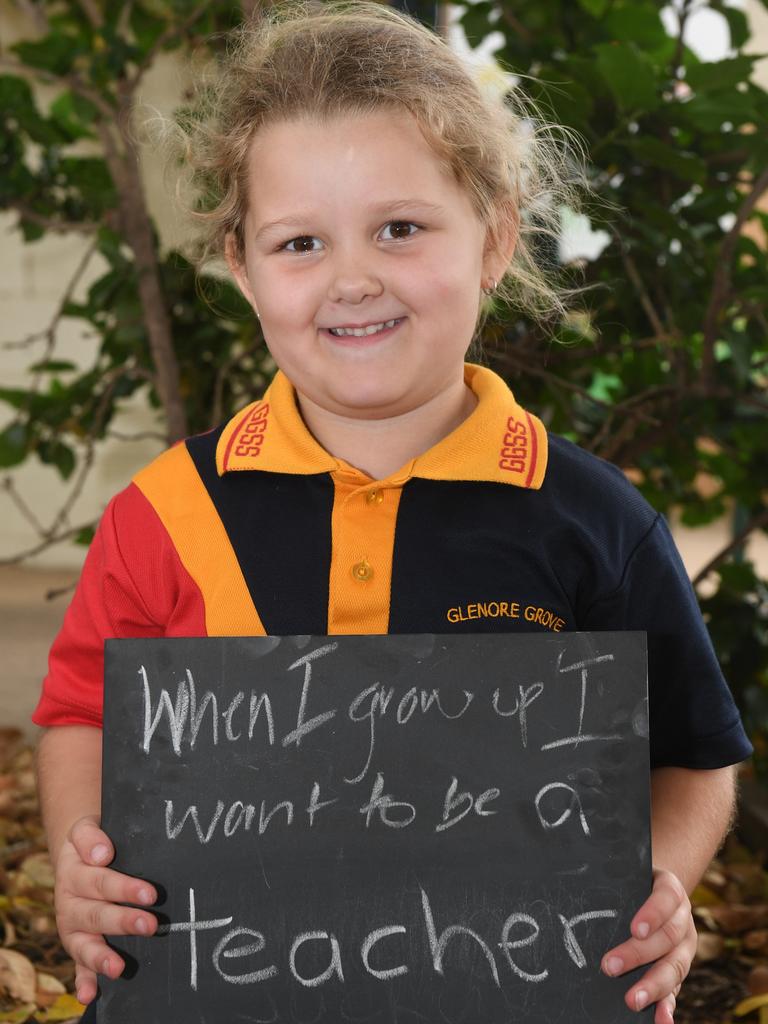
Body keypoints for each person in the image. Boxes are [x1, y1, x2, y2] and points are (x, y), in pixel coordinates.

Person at [33, 3, 751, 1022]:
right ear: (242, 267)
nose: (353, 277)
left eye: (401, 228)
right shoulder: (166, 512)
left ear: (495, 239)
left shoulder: (593, 519)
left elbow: (696, 751)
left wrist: (652, 893)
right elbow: (82, 709)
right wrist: (81, 857)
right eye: (300, 243)